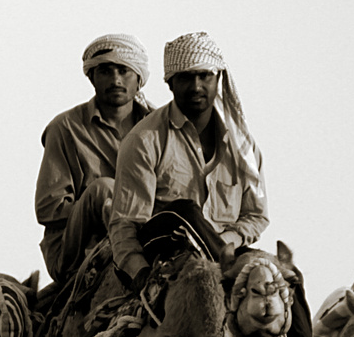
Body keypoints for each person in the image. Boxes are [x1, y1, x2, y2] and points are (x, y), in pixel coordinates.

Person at [107, 31, 267, 291]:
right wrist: (140, 272)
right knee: (184, 211)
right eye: (186, 77)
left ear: (218, 79)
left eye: (204, 76)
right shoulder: (144, 139)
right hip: (164, 248)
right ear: (170, 83)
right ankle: (228, 276)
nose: (196, 86)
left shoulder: (243, 147)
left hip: (225, 252)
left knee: (286, 278)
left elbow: (256, 216)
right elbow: (126, 223)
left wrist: (226, 240)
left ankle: (303, 334)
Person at [34, 34, 154, 284]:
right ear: (92, 77)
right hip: (75, 248)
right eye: (105, 72)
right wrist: (98, 209)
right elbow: (48, 208)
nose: (116, 80)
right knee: (105, 189)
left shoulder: (157, 129)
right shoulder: (65, 128)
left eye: (123, 71)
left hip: (146, 233)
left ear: (138, 79)